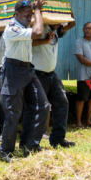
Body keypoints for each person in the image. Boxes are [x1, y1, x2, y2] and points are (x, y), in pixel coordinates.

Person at [0, 0, 50, 163]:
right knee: (13, 113)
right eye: (27, 15)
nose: (30, 18)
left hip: (28, 69)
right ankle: (6, 152)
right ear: (16, 14)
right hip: (13, 71)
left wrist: (36, 12)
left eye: (31, 15)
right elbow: (38, 32)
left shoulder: (24, 27)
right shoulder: (12, 28)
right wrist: (38, 10)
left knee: (43, 106)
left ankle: (30, 146)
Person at [21, 19, 76, 149]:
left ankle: (57, 139)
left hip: (52, 74)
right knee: (35, 108)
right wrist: (45, 39)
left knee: (62, 103)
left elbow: (72, 23)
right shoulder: (39, 27)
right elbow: (30, 42)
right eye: (56, 20)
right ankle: (27, 143)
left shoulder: (56, 29)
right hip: (37, 74)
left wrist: (64, 6)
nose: (59, 23)